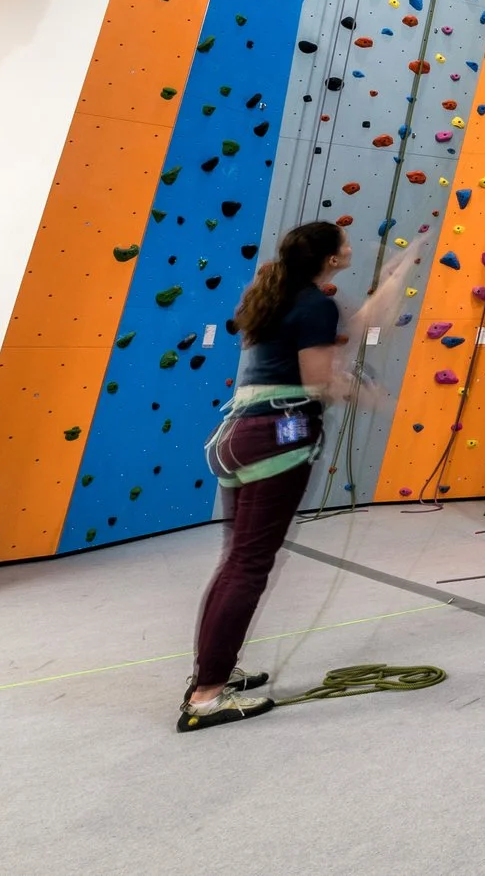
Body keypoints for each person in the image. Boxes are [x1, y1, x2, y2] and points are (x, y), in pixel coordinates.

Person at [177, 222, 414, 731]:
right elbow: (317, 381)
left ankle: (215, 669)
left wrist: (394, 280)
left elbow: (357, 326)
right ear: (330, 259)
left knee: (237, 560)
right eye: (343, 245)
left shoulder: (280, 295)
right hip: (277, 438)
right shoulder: (313, 305)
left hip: (239, 435)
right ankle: (207, 695)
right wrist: (367, 396)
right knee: (248, 565)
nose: (349, 248)